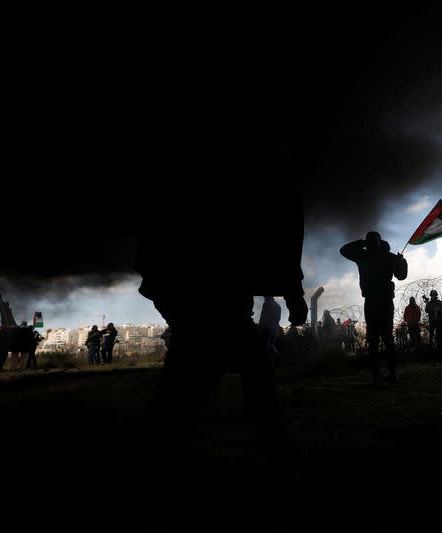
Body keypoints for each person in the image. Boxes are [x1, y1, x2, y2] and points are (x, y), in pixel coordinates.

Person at [128, 127, 310, 504]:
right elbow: (284, 239)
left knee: (241, 369)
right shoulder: (254, 184)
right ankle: (137, 473)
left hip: (200, 291)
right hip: (206, 293)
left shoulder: (214, 177)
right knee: (191, 383)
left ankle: (281, 454)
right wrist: (293, 292)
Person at [340, 231, 407, 387]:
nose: (371, 244)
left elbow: (401, 275)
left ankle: (388, 376)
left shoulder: (366, 256)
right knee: (376, 340)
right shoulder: (365, 256)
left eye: (372, 241)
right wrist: (363, 243)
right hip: (375, 301)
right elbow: (344, 250)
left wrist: (401, 262)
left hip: (380, 301)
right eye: (369, 241)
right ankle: (382, 377)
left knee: (385, 339)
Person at [259, 296, 282, 361]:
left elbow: (263, 317)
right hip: (275, 329)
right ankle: (278, 358)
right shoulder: (278, 306)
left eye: (264, 296)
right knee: (270, 345)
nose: (264, 297)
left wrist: (260, 328)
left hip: (266, 329)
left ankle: (268, 363)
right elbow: (278, 318)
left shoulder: (266, 303)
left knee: (265, 347)